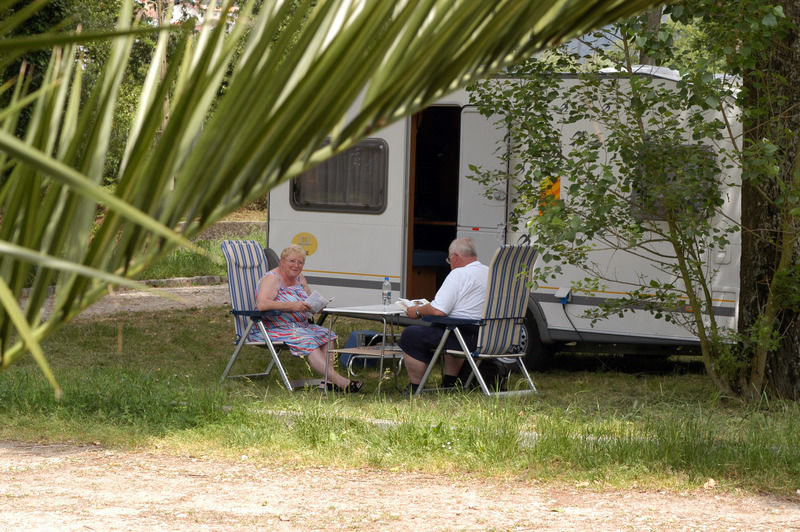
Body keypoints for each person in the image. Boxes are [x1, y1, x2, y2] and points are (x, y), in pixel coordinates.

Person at [253, 244, 361, 393]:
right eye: (292, 261)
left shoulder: (299, 278)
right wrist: (292, 306)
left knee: (327, 335)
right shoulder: (272, 279)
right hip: (275, 328)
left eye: (300, 262)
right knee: (308, 340)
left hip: (301, 325)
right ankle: (341, 382)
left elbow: (308, 299)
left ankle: (327, 383)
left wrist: (316, 306)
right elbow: (262, 304)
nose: (296, 265)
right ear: (282, 261)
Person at [398, 237, 488, 393]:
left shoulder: (458, 274)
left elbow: (438, 310)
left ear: (455, 257)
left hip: (465, 338)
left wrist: (417, 310)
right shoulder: (489, 272)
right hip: (487, 336)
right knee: (444, 328)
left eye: (449, 259)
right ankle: (449, 383)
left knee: (411, 335)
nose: (450, 263)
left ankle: (415, 387)